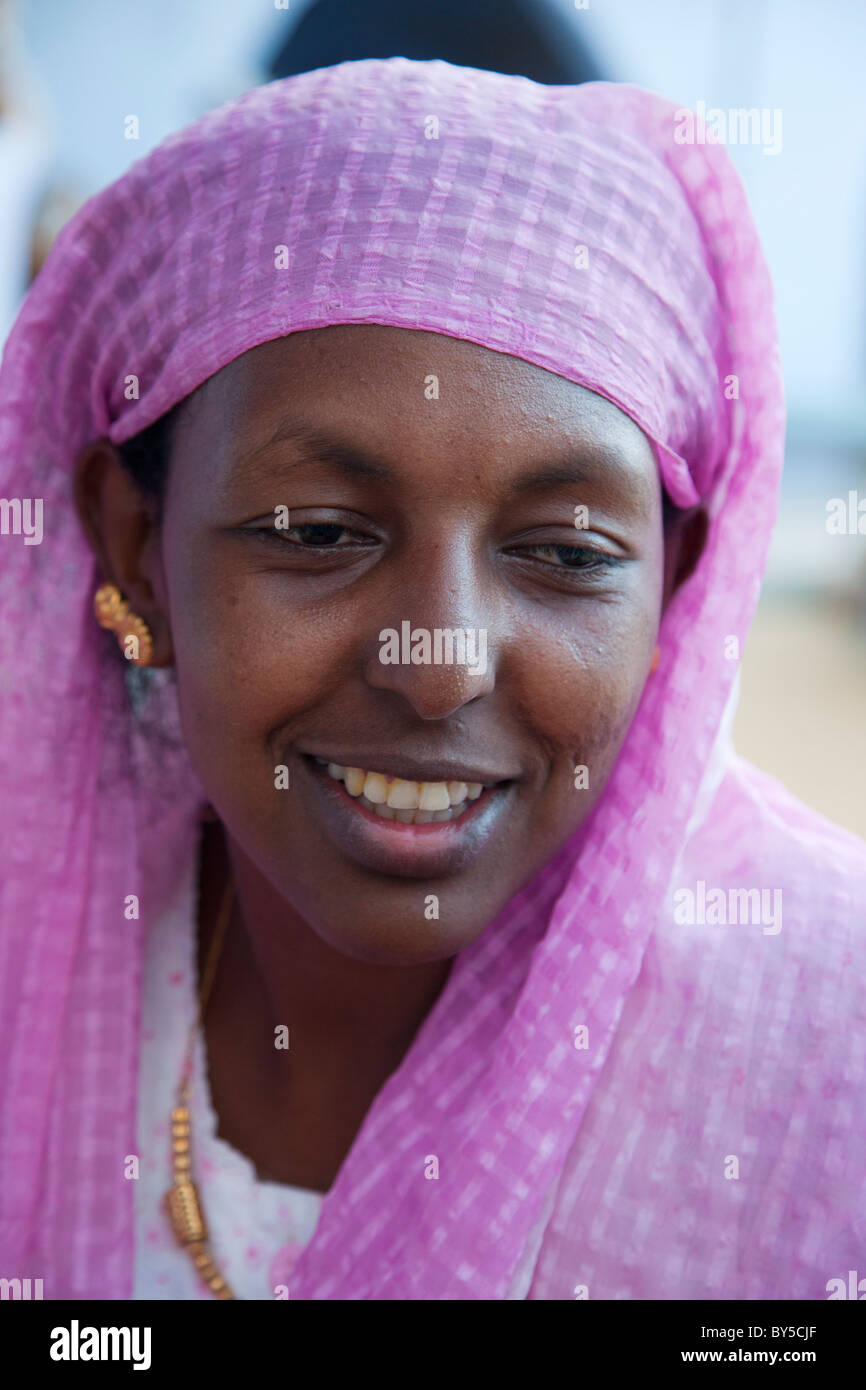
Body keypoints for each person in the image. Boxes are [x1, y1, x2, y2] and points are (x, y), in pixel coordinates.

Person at [0, 57, 863, 1301]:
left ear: (672, 585)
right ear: (135, 550)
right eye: (317, 532)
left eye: (564, 554)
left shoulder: (825, 1049)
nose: (438, 663)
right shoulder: (45, 923)